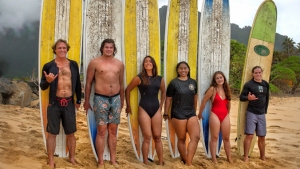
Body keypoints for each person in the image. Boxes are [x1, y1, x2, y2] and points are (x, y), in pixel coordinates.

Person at [40, 39, 82, 169]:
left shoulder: (73, 65)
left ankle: (72, 158)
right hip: (55, 103)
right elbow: (42, 86)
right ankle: (51, 160)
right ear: (55, 50)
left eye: (64, 48)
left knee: (71, 133)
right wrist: (47, 81)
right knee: (52, 133)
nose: (62, 50)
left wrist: (79, 100)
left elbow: (78, 84)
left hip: (69, 102)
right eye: (59, 48)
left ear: (67, 49)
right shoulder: (49, 66)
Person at [84, 39, 124, 168]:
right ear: (102, 48)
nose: (108, 49)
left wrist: (122, 101)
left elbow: (121, 83)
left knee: (113, 131)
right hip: (101, 98)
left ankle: (113, 160)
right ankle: (100, 161)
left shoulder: (119, 64)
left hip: (116, 99)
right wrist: (86, 101)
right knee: (101, 131)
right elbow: (88, 83)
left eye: (111, 47)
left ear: (114, 49)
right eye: (106, 47)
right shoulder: (95, 63)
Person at [125, 56, 165, 165]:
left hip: (156, 109)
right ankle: (145, 163)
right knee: (147, 136)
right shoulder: (139, 78)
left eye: (150, 61)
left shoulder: (159, 79)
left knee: (157, 136)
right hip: (144, 108)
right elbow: (127, 90)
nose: (148, 63)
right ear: (143, 65)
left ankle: (161, 162)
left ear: (153, 64)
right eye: (146, 61)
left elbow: (163, 92)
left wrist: (161, 106)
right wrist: (128, 106)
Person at [163, 61, 200, 166]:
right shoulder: (174, 83)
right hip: (178, 113)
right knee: (182, 138)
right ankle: (185, 160)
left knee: (196, 137)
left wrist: (194, 110)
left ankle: (188, 163)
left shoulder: (193, 82)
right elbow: (168, 99)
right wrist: (165, 113)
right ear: (178, 70)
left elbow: (195, 97)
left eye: (185, 68)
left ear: (188, 70)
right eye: (181, 68)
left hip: (191, 113)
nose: (183, 70)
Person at [198, 71, 233, 164]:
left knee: (226, 138)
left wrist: (227, 114)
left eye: (221, 77)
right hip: (214, 114)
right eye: (217, 78)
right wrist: (200, 113)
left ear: (224, 78)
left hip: (225, 115)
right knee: (214, 137)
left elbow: (229, 103)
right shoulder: (212, 89)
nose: (219, 79)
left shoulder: (227, 89)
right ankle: (214, 158)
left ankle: (229, 158)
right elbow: (204, 101)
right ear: (215, 80)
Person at [240, 66, 269, 162]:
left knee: (262, 136)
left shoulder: (265, 84)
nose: (258, 74)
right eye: (256, 73)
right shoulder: (249, 84)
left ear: (262, 73)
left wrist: (265, 111)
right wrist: (248, 98)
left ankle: (262, 157)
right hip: (251, 112)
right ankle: (245, 157)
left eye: (259, 72)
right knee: (249, 135)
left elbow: (267, 98)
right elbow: (241, 97)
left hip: (261, 114)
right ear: (252, 74)